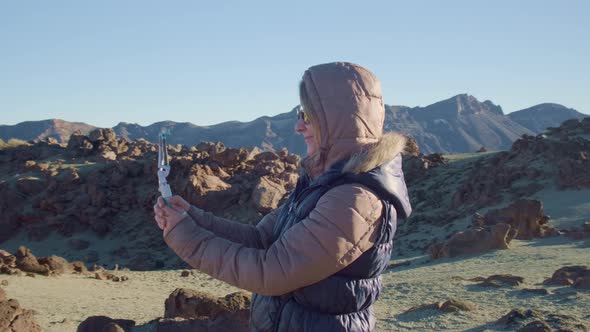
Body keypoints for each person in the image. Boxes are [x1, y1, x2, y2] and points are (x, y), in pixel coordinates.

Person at [154, 62, 412, 332]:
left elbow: (273, 271)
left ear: (337, 123)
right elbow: (261, 240)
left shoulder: (356, 199)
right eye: (301, 114)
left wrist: (184, 235)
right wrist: (193, 218)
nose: (299, 126)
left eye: (309, 116)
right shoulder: (323, 185)